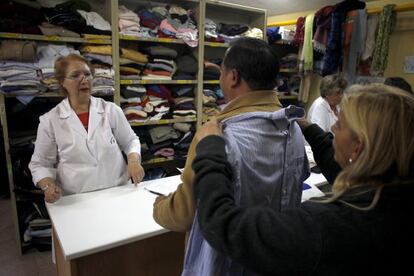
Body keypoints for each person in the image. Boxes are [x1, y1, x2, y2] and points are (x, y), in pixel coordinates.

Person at [191, 84, 414, 275]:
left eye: (340, 124)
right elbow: (338, 165)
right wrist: (309, 128)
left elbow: (224, 225)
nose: (334, 128)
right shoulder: (394, 196)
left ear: (358, 147)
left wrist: (210, 148)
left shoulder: (327, 228)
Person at [153, 38, 308, 274]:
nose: (220, 79)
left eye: (222, 72)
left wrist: (160, 207)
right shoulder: (294, 129)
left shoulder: (216, 135)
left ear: (233, 77)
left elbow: (185, 213)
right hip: (278, 260)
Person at [29, 54, 144, 203]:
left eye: (88, 74)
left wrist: (133, 161)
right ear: (62, 82)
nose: (84, 80)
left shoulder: (110, 110)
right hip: (77, 199)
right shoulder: (50, 120)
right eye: (75, 75)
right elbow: (41, 163)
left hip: (117, 191)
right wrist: (47, 185)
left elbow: (130, 141)